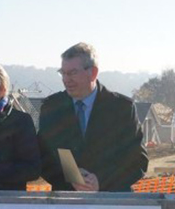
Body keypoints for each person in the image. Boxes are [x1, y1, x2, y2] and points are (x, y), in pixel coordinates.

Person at [38, 42, 148, 191]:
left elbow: (138, 161)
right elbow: (42, 157)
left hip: (111, 203)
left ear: (93, 73)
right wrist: (72, 180)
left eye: (72, 73)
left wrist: (101, 182)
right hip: (67, 204)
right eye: (63, 73)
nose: (66, 79)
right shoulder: (51, 108)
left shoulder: (122, 108)